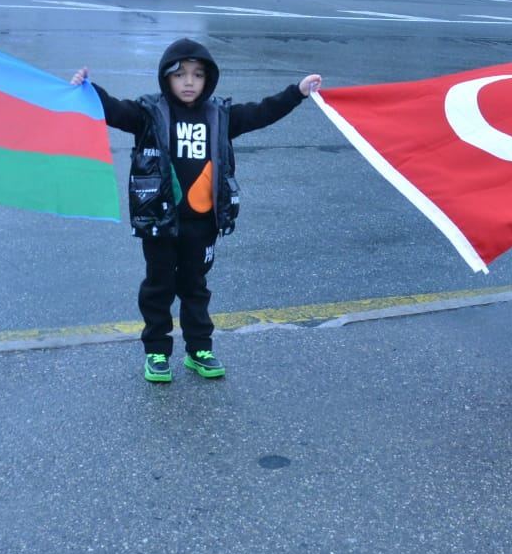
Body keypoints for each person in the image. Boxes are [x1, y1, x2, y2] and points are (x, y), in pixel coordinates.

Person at [71, 40, 323, 383]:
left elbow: (261, 112)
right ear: (166, 78)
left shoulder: (219, 115)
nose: (189, 82)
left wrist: (297, 92)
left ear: (208, 79)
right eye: (180, 75)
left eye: (197, 75)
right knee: (159, 286)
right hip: (160, 222)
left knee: (195, 286)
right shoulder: (149, 113)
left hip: (202, 224)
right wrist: (89, 90)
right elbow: (115, 110)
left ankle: (199, 348)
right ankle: (157, 351)